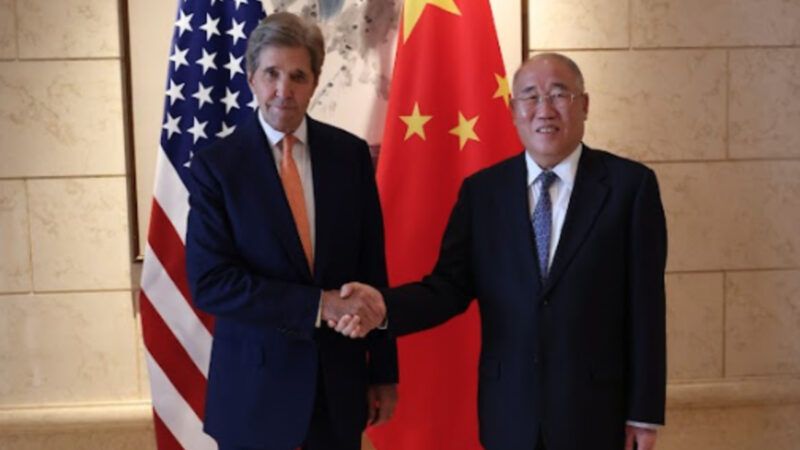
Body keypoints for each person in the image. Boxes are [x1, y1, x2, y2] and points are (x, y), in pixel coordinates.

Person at [334, 53, 667, 450]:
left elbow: (647, 309)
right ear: (513, 111)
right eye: (530, 96)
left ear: (585, 105)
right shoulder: (483, 193)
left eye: (559, 94)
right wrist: (383, 308)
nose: (544, 109)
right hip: (510, 413)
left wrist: (644, 415)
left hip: (597, 414)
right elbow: (447, 288)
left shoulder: (630, 188)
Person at [186, 12, 398, 450]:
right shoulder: (217, 167)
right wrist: (318, 305)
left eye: (298, 75)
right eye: (272, 74)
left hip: (337, 391)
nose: (284, 90)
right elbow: (211, 284)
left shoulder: (350, 157)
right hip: (254, 395)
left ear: (315, 81)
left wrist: (382, 371)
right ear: (251, 79)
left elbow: (372, 270)